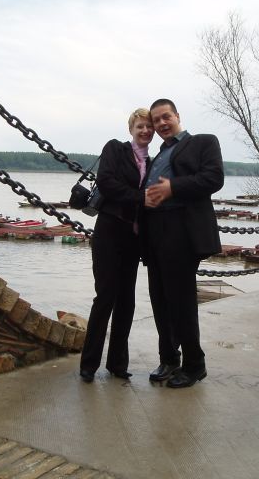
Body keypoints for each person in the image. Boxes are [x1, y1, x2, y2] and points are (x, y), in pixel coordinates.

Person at [141, 98, 224, 388]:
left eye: (166, 117)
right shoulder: (159, 154)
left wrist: (172, 188)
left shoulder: (203, 142)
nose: (162, 123)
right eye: (156, 120)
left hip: (182, 229)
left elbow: (214, 178)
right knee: (159, 299)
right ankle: (168, 358)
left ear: (177, 116)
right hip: (155, 231)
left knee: (181, 300)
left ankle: (194, 364)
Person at [79, 108, 154, 383]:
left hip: (133, 239)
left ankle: (117, 364)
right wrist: (140, 197)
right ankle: (89, 364)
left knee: (126, 301)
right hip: (109, 234)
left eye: (148, 127)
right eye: (140, 126)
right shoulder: (115, 149)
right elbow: (107, 183)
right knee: (105, 297)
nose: (145, 130)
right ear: (131, 129)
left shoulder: (152, 163)